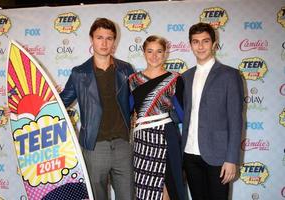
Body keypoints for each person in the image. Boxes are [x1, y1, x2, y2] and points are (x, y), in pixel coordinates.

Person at [59, 18, 134, 200]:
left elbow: (138, 100)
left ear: (114, 42)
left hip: (122, 144)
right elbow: (60, 102)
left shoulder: (125, 69)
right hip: (94, 146)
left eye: (109, 38)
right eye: (99, 37)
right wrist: (20, 112)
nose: (104, 43)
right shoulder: (79, 73)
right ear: (91, 39)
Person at [181, 22, 244, 200]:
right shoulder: (185, 77)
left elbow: (235, 120)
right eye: (195, 42)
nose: (200, 46)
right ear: (190, 44)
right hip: (190, 154)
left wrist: (231, 159)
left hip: (217, 156)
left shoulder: (229, 75)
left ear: (214, 43)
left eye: (205, 41)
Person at [129, 35, 185, 200]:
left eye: (159, 51)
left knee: (167, 188)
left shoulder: (174, 79)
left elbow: (182, 114)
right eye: (150, 51)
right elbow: (126, 110)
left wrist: (162, 116)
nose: (154, 56)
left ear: (165, 53)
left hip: (166, 138)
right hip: (142, 141)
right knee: (144, 187)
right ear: (144, 52)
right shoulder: (133, 80)